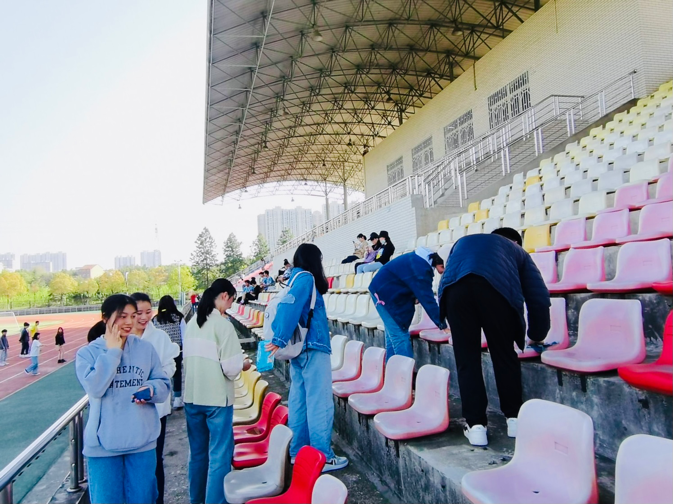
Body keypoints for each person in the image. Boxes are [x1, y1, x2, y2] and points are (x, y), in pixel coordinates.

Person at [438, 228, 550, 447]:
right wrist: (536, 335)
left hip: (455, 292)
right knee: (504, 355)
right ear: (516, 242)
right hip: (495, 291)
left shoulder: (462, 242)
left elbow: (448, 276)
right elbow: (538, 297)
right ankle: (514, 419)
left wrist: (442, 318)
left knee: (467, 360)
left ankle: (476, 427)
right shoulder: (518, 252)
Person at [75, 294, 170, 504]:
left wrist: (151, 389)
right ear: (105, 318)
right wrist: (113, 352)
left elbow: (164, 386)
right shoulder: (87, 354)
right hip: (103, 448)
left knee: (144, 498)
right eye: (122, 316)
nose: (129, 322)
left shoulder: (145, 349)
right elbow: (95, 388)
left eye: (133, 316)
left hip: (142, 442)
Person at [265, 243, 349, 473]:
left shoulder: (294, 278)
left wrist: (281, 338)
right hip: (313, 347)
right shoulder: (306, 278)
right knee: (319, 402)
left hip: (300, 350)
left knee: (299, 400)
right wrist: (280, 337)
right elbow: (289, 306)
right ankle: (322, 457)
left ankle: (298, 452)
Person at [183, 278, 252, 504]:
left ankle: (197, 499)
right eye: (231, 300)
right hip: (216, 399)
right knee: (220, 455)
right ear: (224, 296)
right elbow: (231, 368)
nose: (231, 305)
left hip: (192, 396)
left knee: (198, 454)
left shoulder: (192, 323)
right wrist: (243, 365)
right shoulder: (223, 325)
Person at [130, 293, 180, 504]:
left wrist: (155, 382)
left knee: (155, 459)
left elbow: (170, 365)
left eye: (148, 312)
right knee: (133, 462)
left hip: (155, 410)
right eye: (138, 313)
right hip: (129, 412)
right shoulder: (122, 337)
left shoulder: (159, 337)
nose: (143, 317)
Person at [368, 247, 448, 362]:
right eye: (444, 268)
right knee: (400, 337)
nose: (442, 272)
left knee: (392, 336)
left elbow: (407, 281)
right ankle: (404, 371)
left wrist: (414, 296)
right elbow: (428, 300)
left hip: (379, 289)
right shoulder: (420, 269)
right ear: (441, 263)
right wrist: (442, 325)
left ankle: (391, 369)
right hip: (384, 294)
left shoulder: (418, 260)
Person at [153, 295, 187, 410]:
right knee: (177, 374)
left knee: (164, 374)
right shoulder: (179, 318)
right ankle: (177, 399)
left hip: (160, 351)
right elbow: (184, 335)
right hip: (177, 350)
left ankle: (165, 401)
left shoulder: (155, 319)